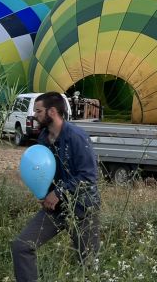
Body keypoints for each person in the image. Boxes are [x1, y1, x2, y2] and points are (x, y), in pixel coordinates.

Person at [11, 92, 101, 282]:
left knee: (88, 265)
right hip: (56, 208)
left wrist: (58, 192)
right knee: (22, 246)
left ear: (52, 111)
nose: (35, 114)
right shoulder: (44, 137)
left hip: (83, 208)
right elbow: (45, 169)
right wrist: (44, 192)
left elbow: (89, 176)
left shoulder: (76, 137)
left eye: (38, 110)